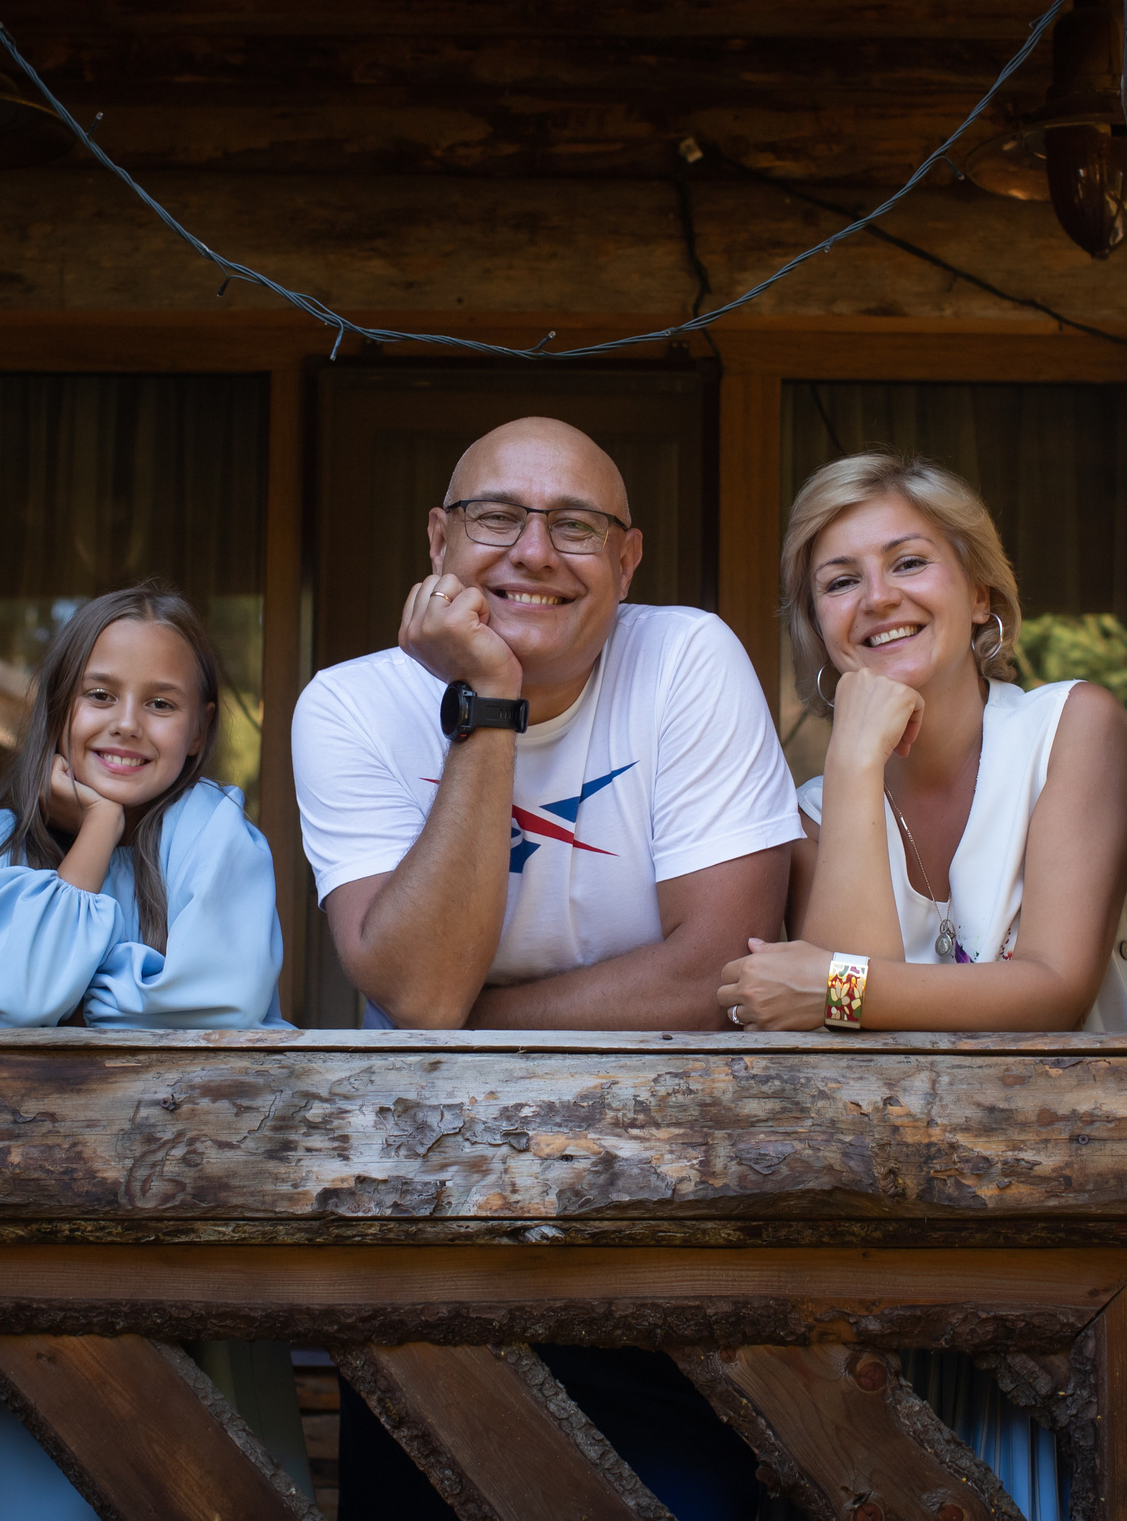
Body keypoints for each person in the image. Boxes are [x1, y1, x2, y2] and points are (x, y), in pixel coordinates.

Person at [292, 416, 801, 1520]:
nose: (531, 552)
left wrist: (463, 1024)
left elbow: (719, 966)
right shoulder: (351, 705)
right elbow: (418, 988)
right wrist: (487, 703)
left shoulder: (687, 656)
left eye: (575, 526)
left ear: (627, 560)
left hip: (664, 1232)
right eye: (494, 518)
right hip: (432, 1240)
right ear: (438, 540)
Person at [718, 450, 1127, 1516]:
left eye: (909, 561)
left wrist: (835, 990)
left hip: (1080, 1241)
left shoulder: (1069, 726)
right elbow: (855, 1045)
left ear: (980, 592)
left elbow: (1047, 986)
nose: (878, 598)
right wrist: (857, 763)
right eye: (839, 579)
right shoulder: (815, 805)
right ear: (816, 623)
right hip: (890, 1253)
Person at [0, 583, 308, 1517]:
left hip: (199, 1232)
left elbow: (212, 1004)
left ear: (200, 727)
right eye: (99, 695)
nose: (127, 724)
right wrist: (94, 834)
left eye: (161, 703)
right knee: (38, 1472)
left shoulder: (219, 837)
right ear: (57, 708)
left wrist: (59, 984)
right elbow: (9, 1014)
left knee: (204, 1476)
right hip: (36, 1244)